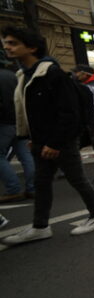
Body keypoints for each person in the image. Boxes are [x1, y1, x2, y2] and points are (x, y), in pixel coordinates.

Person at [2, 26, 94, 246]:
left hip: (60, 141)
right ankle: (40, 226)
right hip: (42, 140)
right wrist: (32, 137)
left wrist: (55, 142)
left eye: (13, 43)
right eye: (6, 42)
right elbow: (32, 112)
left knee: (76, 179)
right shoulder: (24, 75)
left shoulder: (53, 74)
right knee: (41, 183)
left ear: (31, 47)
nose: (6, 47)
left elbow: (69, 113)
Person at [0, 62, 34, 203]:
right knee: (25, 155)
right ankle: (33, 188)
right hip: (18, 121)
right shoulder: (13, 76)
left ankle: (13, 189)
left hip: (3, 122)